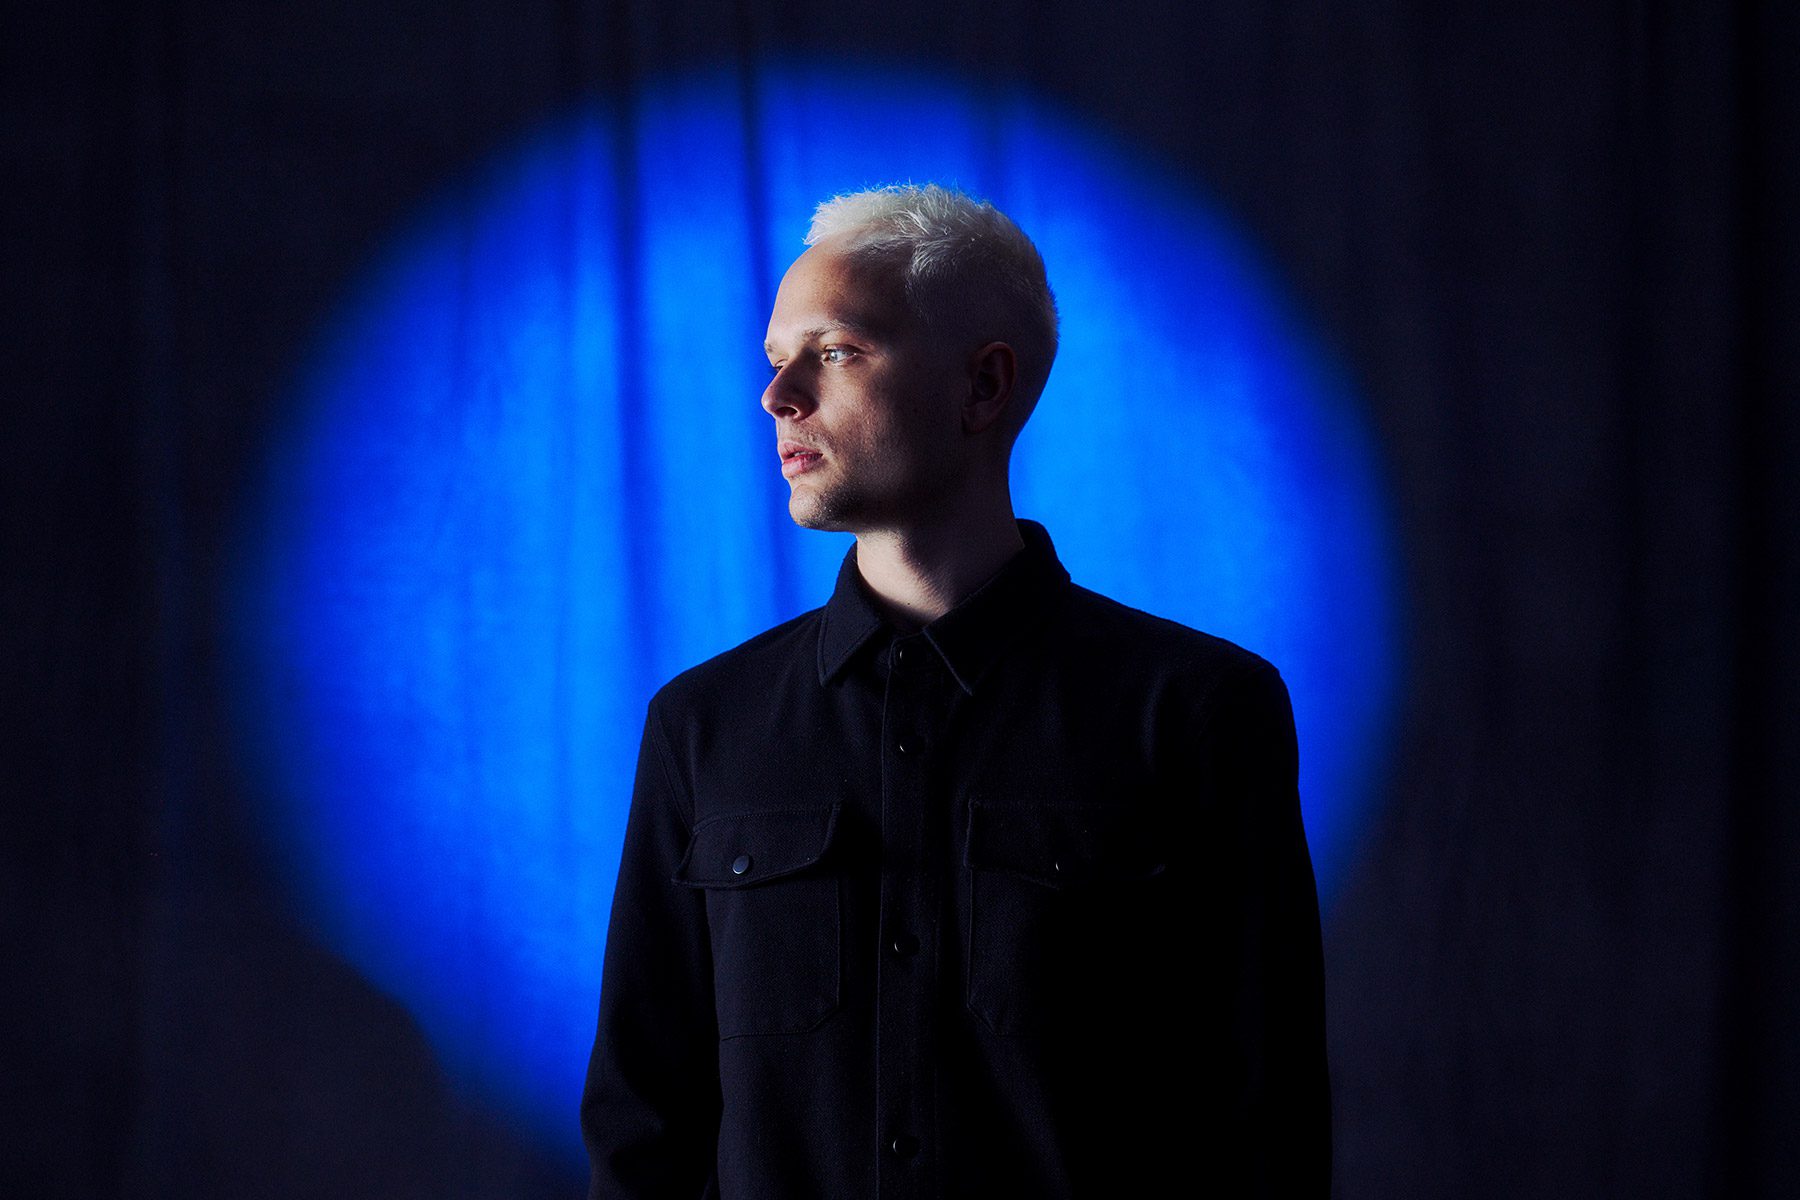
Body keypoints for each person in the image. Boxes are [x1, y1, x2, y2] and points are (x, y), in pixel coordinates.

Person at [579, 183, 1331, 1198]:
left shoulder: (1199, 713)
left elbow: (1263, 1125)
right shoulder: (701, 726)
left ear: (984, 387)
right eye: (775, 360)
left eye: (835, 352)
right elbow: (644, 1125)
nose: (779, 398)